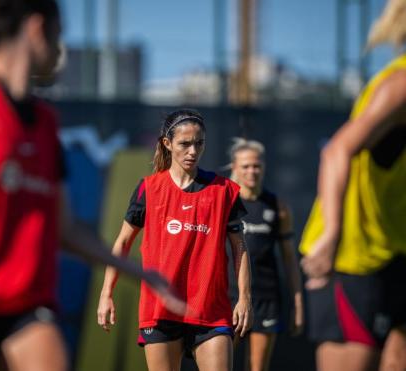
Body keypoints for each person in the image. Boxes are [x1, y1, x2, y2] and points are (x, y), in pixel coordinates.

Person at [0, 1, 184, 370]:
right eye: (59, 35)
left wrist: (140, 273)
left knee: (47, 351)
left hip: (23, 306)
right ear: (38, 28)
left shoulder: (43, 124)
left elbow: (65, 227)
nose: (60, 49)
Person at [97, 109, 253, 371]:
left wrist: (245, 297)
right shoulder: (148, 188)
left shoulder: (225, 191)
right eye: (185, 144)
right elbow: (122, 243)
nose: (193, 151)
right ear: (167, 144)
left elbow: (240, 248)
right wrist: (106, 293)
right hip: (159, 310)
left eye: (199, 143)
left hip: (211, 311)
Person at [299, 1, 406, 370]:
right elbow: (336, 151)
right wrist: (331, 234)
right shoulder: (402, 83)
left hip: (396, 253)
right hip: (354, 258)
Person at [227, 138, 303, 371]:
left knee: (258, 367)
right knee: (219, 364)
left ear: (264, 167)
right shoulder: (224, 202)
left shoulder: (277, 206)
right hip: (228, 297)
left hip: (266, 300)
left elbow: (290, 260)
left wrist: (298, 305)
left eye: (256, 166)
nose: (252, 171)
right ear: (234, 168)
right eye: (245, 166)